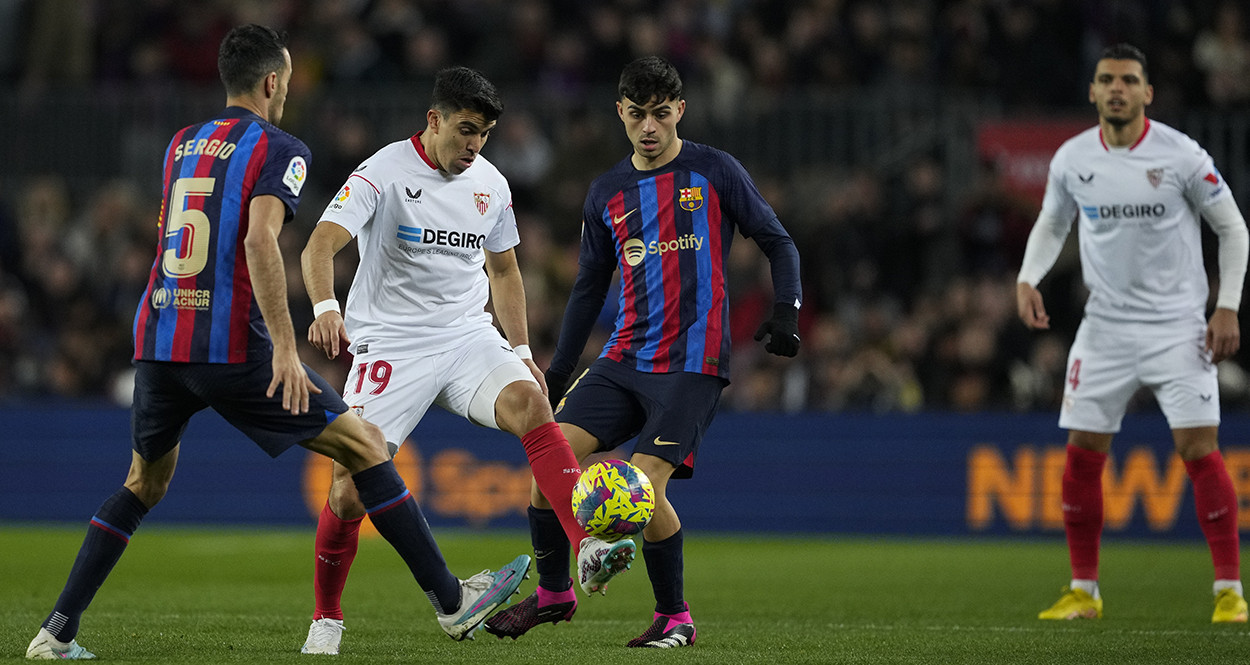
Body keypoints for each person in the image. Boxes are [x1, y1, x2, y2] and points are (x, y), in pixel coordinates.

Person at [24, 26, 530, 661]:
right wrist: (286, 350)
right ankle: (453, 602)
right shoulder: (280, 146)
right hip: (230, 346)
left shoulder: (182, 142)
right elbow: (261, 240)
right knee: (366, 446)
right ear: (272, 82)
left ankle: (57, 631)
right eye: (288, 79)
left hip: (159, 337)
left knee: (142, 484)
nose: (289, 90)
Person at [297, 66, 634, 656]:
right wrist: (326, 305)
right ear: (435, 121)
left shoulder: (492, 185)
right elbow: (320, 242)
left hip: (465, 336)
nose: (474, 145)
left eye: (484, 134)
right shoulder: (383, 171)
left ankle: (588, 545)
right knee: (349, 490)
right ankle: (327, 616)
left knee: (533, 404)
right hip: (392, 345)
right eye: (466, 130)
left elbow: (504, 271)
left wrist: (524, 351)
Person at [483, 56, 802, 648]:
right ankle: (555, 593)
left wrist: (787, 310)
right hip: (623, 358)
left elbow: (778, 242)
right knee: (546, 463)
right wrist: (555, 375)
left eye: (660, 114)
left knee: (637, 487)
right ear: (621, 115)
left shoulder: (714, 171)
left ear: (680, 110)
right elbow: (586, 288)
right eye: (637, 115)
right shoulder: (606, 191)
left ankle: (673, 617)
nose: (649, 127)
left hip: (692, 363)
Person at [1018, 43, 1249, 623]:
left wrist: (1227, 307)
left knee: (1199, 451)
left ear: (1148, 92)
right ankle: (1084, 592)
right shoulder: (1072, 159)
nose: (1116, 88)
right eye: (1106, 79)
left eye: (1128, 80)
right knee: (1081, 456)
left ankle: (1229, 592)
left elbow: (1234, 229)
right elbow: (1052, 221)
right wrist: (1027, 277)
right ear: (1092, 91)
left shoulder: (1181, 155)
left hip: (1178, 329)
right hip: (1105, 330)